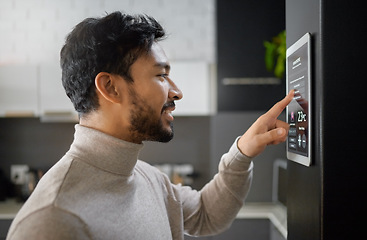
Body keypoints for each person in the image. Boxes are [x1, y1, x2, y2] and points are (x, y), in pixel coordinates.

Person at [6, 11, 293, 240]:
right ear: (110, 87)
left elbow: (207, 214)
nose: (176, 91)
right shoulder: (52, 220)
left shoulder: (146, 177)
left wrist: (242, 153)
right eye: (161, 75)